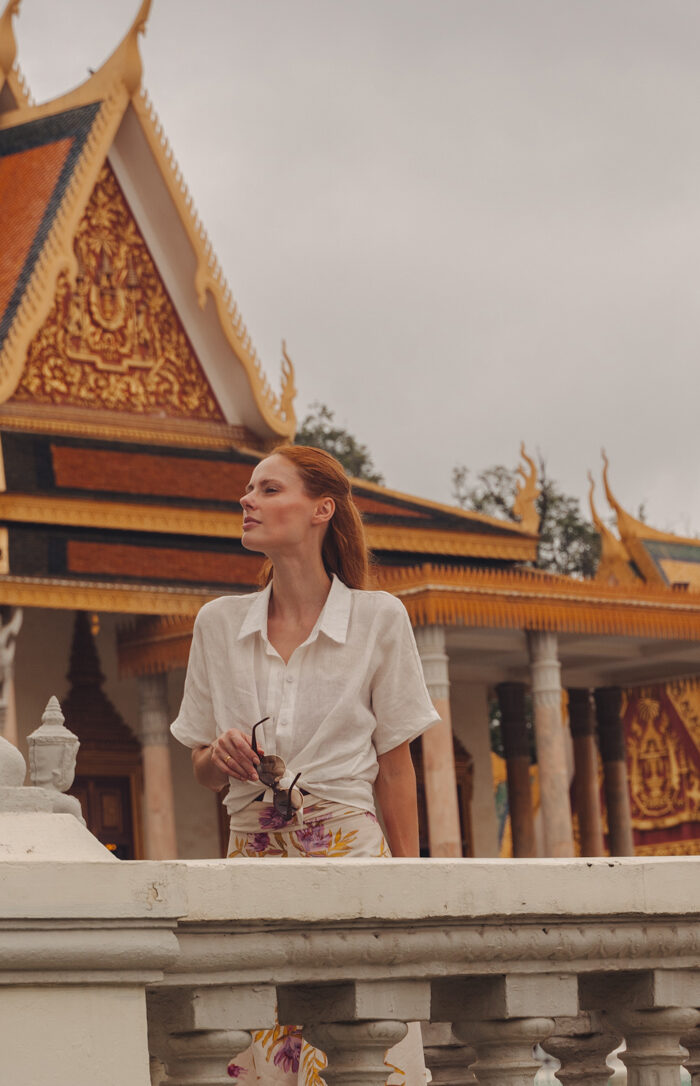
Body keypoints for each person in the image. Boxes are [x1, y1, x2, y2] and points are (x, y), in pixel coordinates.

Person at [171, 444, 440, 1086]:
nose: (247, 500)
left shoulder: (379, 619)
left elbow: (396, 768)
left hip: (349, 858)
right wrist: (222, 756)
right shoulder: (217, 623)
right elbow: (202, 770)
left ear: (322, 508)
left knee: (354, 1056)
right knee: (261, 1060)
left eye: (267, 489)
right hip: (250, 867)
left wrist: (411, 887)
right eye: (248, 489)